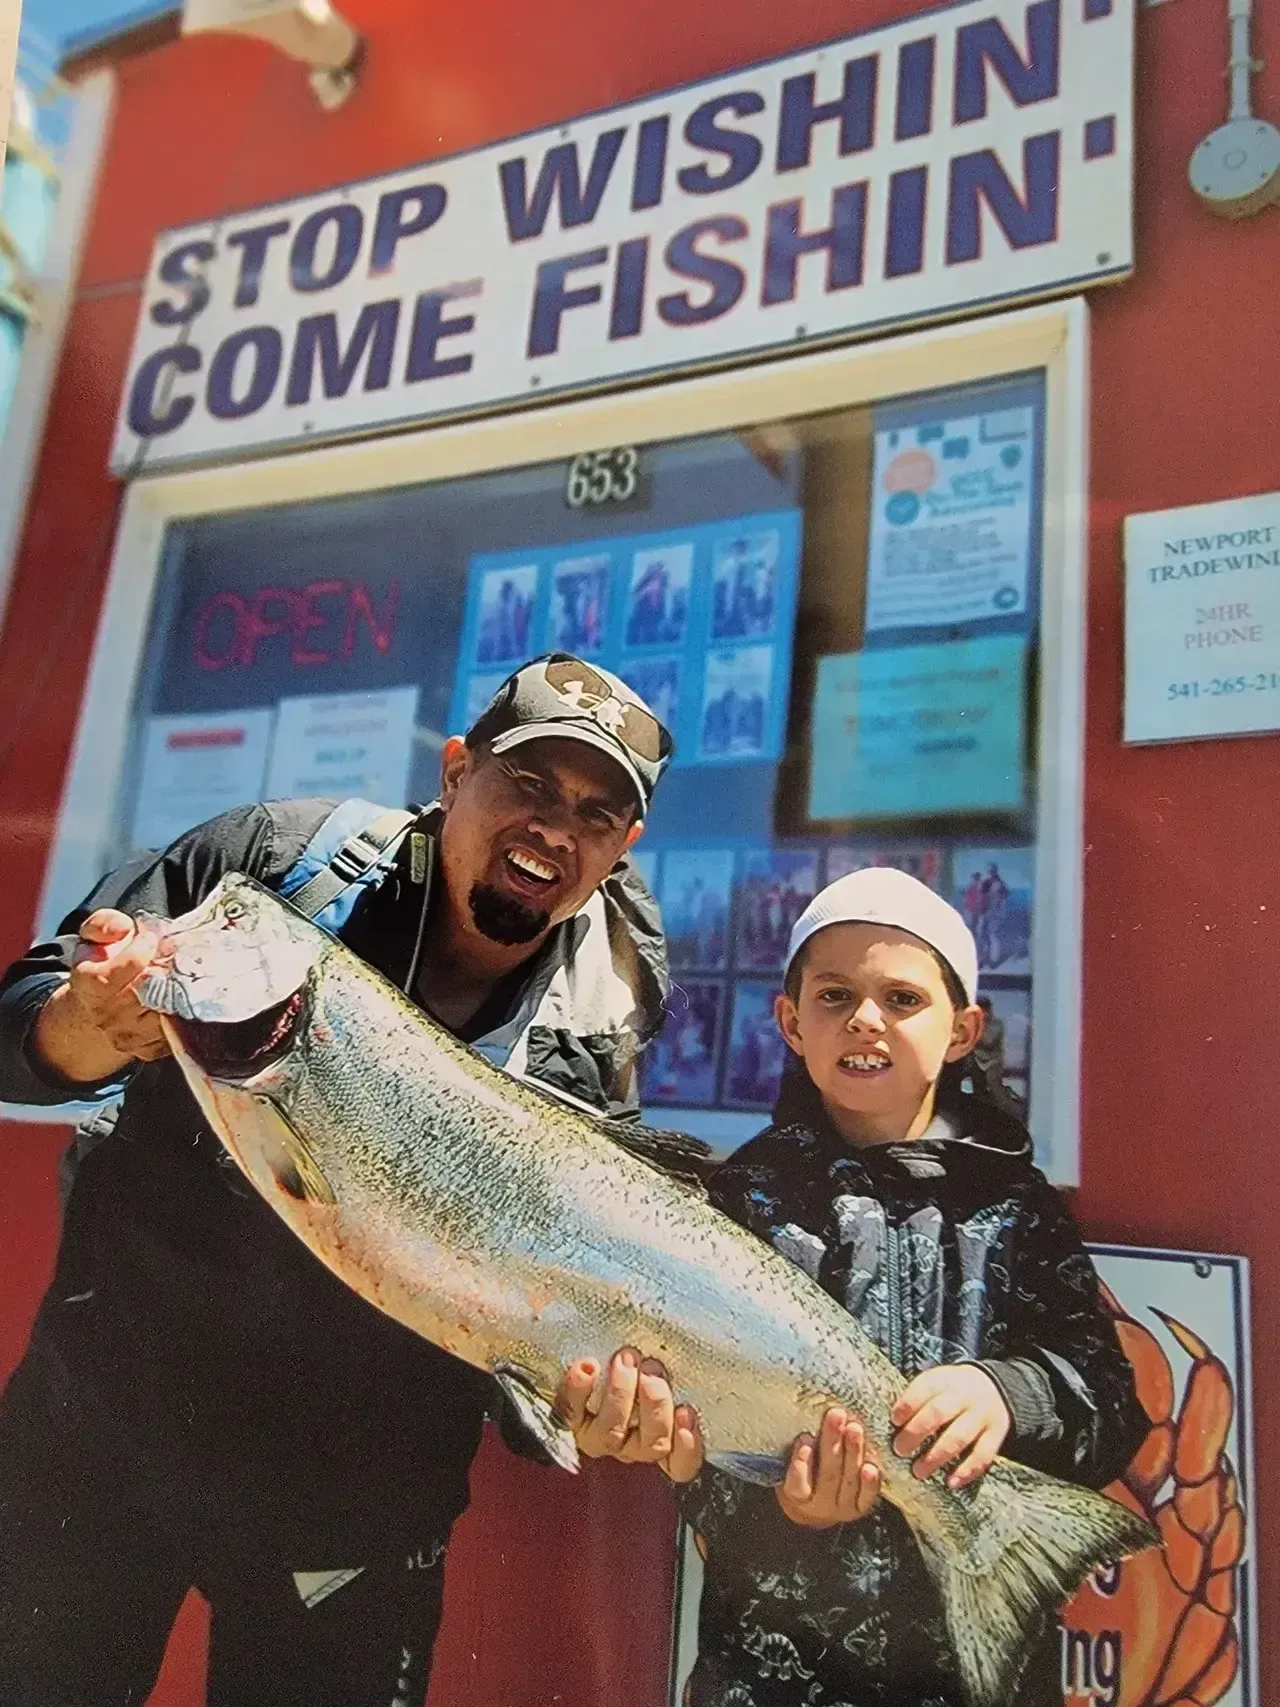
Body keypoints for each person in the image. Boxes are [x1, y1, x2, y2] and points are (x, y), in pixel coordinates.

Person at [0, 652, 702, 1707]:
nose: (556, 829)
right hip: (100, 1434)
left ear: (623, 846)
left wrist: (583, 1398)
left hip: (357, 1509)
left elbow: (537, 1301)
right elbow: (22, 1019)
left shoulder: (596, 1031)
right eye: (529, 784)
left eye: (597, 812)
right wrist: (85, 1026)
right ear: (456, 768)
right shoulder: (271, 871)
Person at [668, 867, 1149, 1707]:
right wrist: (787, 1511)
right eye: (833, 995)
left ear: (963, 1030)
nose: (865, 1018)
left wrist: (1009, 1393)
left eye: (902, 997)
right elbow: (697, 1437)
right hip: (770, 1675)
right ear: (789, 1022)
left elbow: (1109, 1403)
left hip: (975, 1683)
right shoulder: (737, 1204)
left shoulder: (1017, 1207)